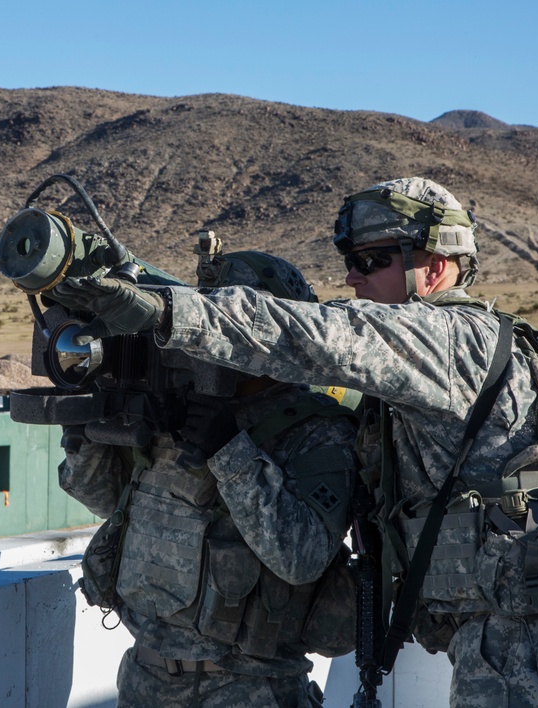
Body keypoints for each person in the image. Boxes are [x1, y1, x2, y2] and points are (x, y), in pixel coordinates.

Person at [55, 177, 538, 707]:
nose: (352, 278)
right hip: (505, 636)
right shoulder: (430, 361)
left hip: (535, 646)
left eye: (371, 261)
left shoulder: (452, 339)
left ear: (435, 266)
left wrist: (167, 310)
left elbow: (327, 335)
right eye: (350, 262)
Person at [57, 251, 360, 707]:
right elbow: (104, 500)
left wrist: (228, 450)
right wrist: (89, 426)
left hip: (249, 687)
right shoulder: (180, 404)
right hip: (146, 676)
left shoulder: (316, 430)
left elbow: (301, 558)